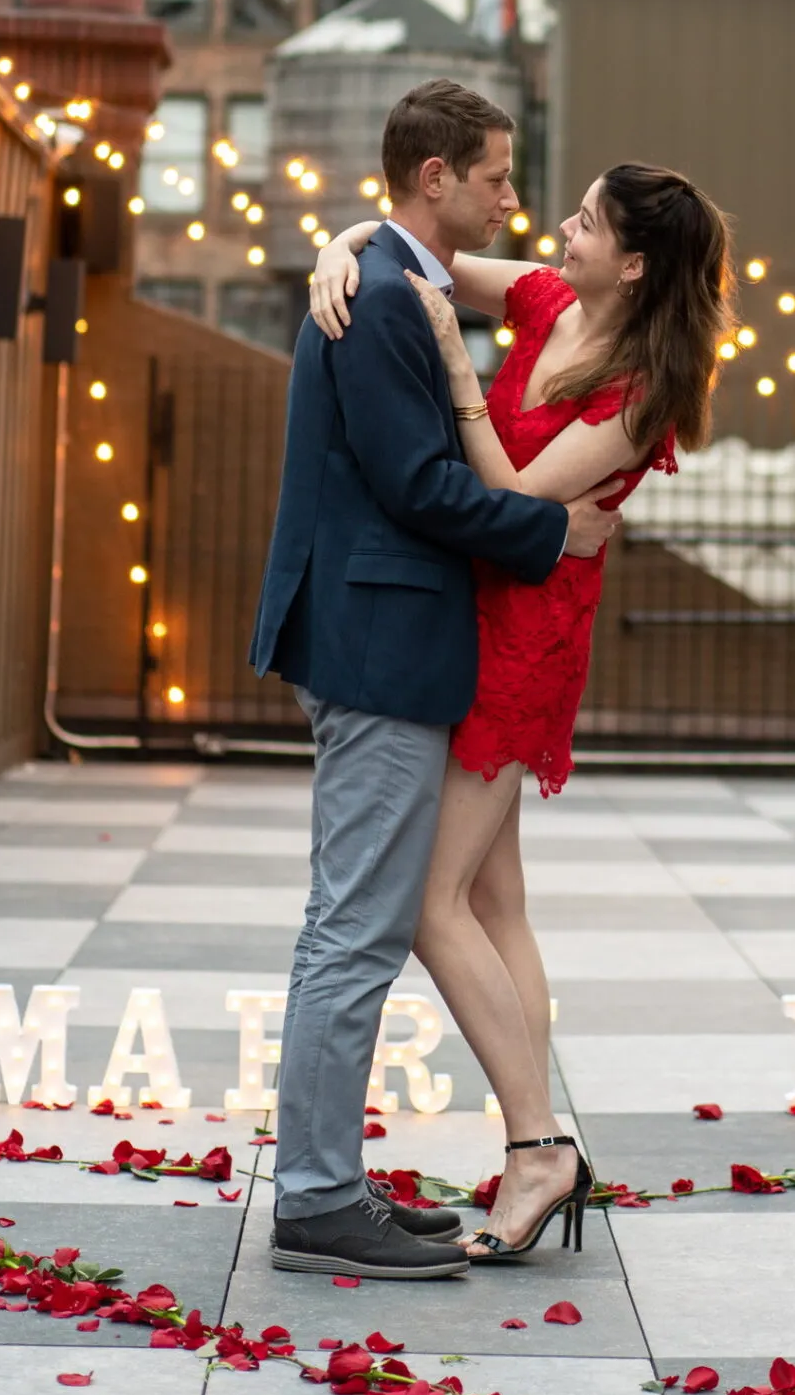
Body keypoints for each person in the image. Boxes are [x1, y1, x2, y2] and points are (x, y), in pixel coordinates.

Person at [309, 161, 732, 1261]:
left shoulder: (641, 390)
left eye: (585, 222)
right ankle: (531, 1146)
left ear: (633, 264)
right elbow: (421, 257)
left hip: (525, 644)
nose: (559, 229)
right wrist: (339, 245)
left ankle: (540, 1147)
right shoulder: (548, 299)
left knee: (430, 904)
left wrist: (459, 368)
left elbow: (510, 495)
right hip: (473, 612)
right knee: (496, 904)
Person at [249, 79, 624, 1282]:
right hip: (382, 643)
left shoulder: (397, 279)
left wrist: (351, 233)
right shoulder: (384, 297)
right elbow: (418, 485)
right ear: (436, 177)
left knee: (381, 916)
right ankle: (319, 1198)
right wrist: (553, 532)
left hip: (410, 640)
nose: (516, 199)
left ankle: (367, 1176)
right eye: (498, 176)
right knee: (359, 926)